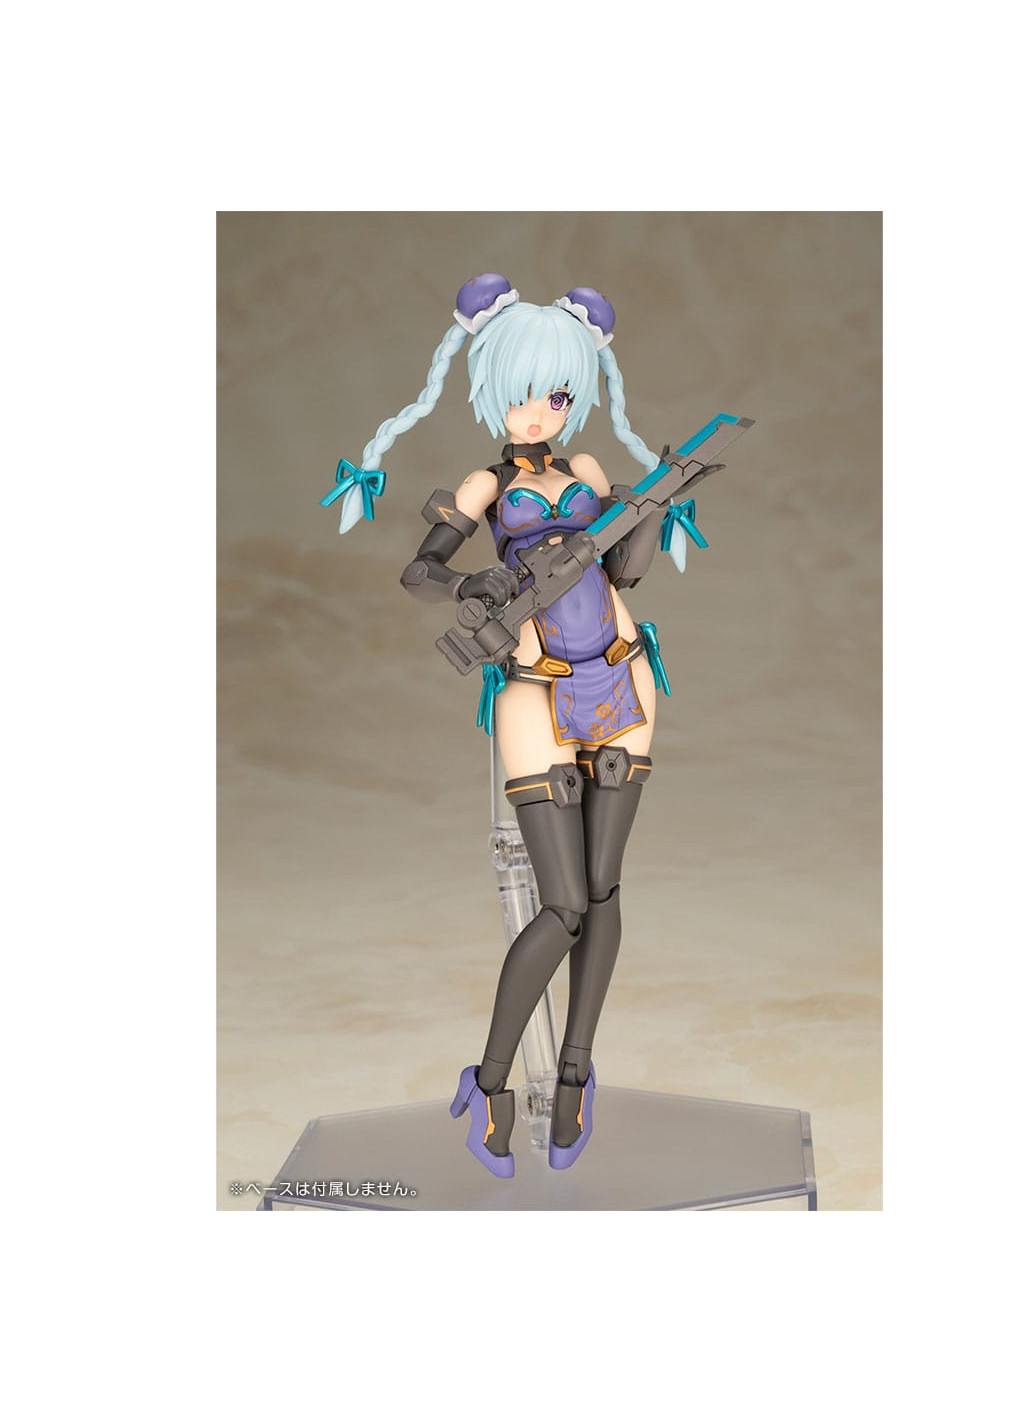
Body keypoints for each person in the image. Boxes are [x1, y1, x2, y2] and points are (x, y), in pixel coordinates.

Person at [325, 274, 683, 1177]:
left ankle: (575, 1074)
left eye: (556, 394)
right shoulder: (487, 483)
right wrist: (471, 583)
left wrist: (650, 509)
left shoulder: (589, 472)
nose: (539, 410)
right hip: (533, 686)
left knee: (603, 890)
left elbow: (629, 573)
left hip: (621, 671)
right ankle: (490, 1080)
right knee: (562, 905)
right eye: (524, 392)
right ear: (492, 387)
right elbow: (419, 572)